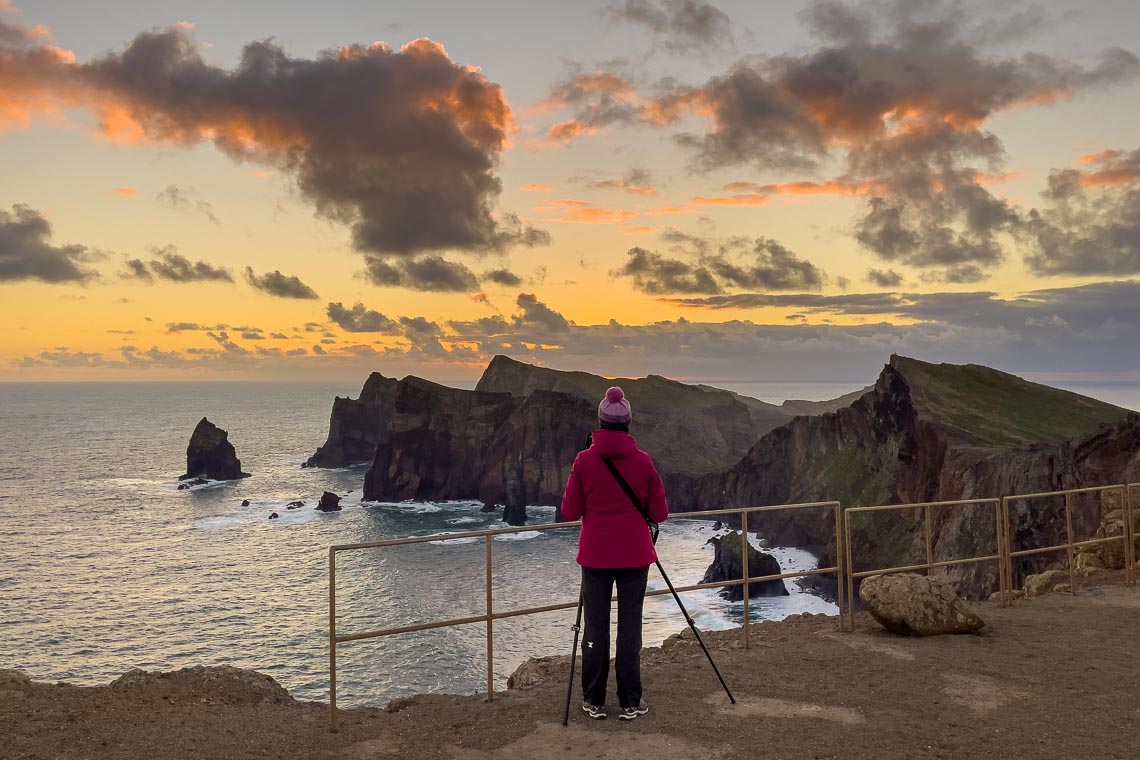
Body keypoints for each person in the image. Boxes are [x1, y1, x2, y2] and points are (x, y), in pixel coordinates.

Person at [560, 386, 669, 721]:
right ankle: (630, 701)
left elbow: (569, 510)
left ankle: (593, 699)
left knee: (595, 629)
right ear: (628, 424)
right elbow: (660, 512)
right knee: (630, 627)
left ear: (600, 422)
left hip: (595, 556)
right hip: (635, 555)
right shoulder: (643, 461)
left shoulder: (584, 461)